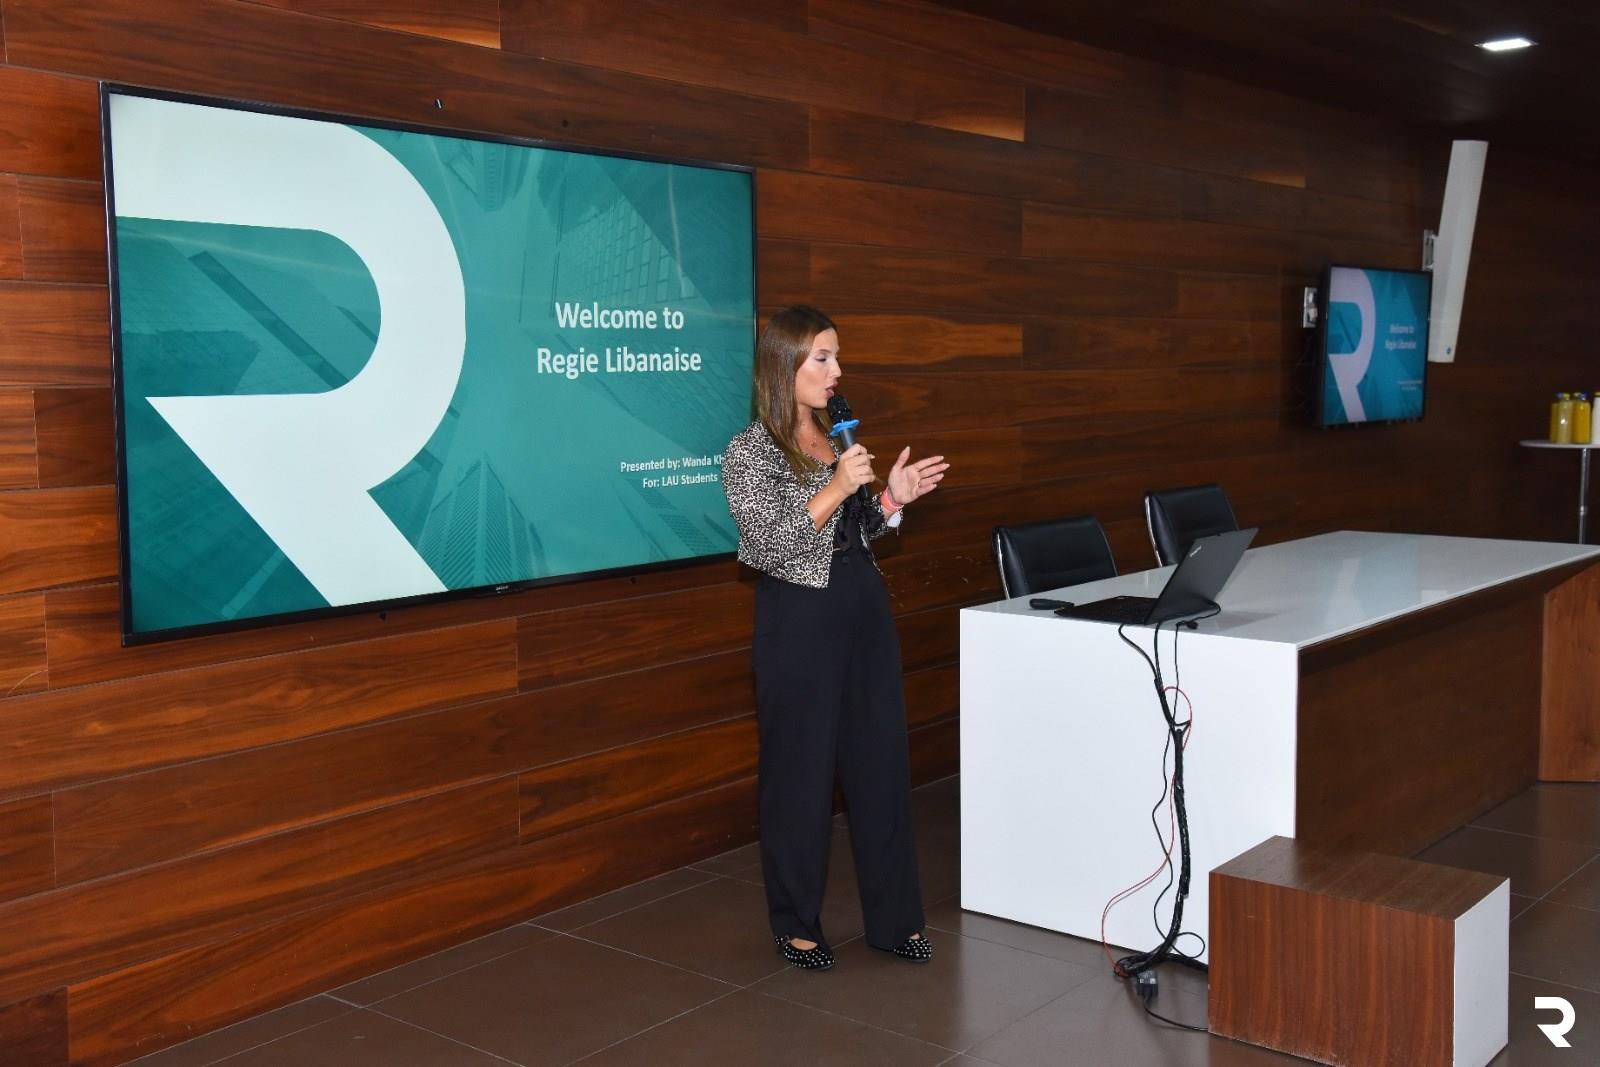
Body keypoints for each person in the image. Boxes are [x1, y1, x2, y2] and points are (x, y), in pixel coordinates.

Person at [721, 305, 950, 971]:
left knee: (880, 766)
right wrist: (837, 485)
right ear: (785, 364)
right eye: (822, 357)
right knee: (800, 773)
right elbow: (770, 544)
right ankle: (795, 923)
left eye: (836, 356)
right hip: (799, 621)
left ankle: (895, 919)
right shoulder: (749, 450)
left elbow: (853, 530)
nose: (836, 370)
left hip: (863, 609)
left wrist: (891, 499)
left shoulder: (831, 437)